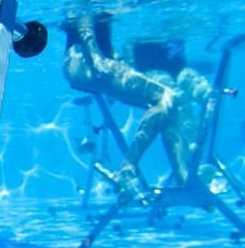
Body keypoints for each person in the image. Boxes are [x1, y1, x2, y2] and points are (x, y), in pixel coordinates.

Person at [61, 12, 192, 204]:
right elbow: (84, 23)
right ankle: (129, 168)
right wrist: (97, 61)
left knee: (166, 105)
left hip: (81, 65)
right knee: (167, 97)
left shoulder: (102, 11)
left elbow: (97, 34)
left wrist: (109, 59)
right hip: (84, 63)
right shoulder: (92, 3)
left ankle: (182, 176)